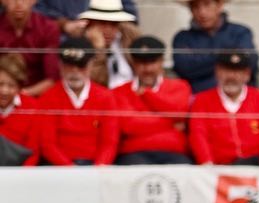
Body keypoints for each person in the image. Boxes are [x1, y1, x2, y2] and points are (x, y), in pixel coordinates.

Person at [188, 50, 259, 165]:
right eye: (226, 70)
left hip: (255, 169)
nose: (231, 76)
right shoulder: (202, 100)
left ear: (247, 74)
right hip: (218, 169)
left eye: (237, 71)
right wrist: (207, 164)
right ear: (217, 72)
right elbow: (198, 135)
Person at [112, 36, 192, 164]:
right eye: (141, 63)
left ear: (161, 61)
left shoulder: (180, 86)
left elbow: (179, 112)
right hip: (133, 153)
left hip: (174, 152)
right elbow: (129, 126)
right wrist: (170, 123)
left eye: (152, 62)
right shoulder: (119, 92)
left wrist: (147, 94)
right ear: (133, 63)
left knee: (183, 170)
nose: (147, 69)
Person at [39, 37, 119, 165]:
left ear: (91, 64)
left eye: (81, 65)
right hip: (60, 167)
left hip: (95, 165)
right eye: (69, 65)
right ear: (60, 65)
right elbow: (48, 144)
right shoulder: (49, 97)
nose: (74, 71)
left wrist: (98, 168)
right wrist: (72, 170)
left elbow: (109, 142)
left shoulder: (105, 97)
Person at [172, 0, 257, 94]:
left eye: (207, 4)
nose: (202, 12)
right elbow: (184, 69)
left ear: (219, 5)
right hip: (198, 98)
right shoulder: (182, 38)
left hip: (240, 99)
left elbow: (250, 63)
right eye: (195, 7)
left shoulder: (240, 32)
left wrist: (202, 62)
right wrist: (226, 58)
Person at [0, 0, 60, 97]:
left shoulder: (48, 28)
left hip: (37, 97)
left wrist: (21, 96)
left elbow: (52, 79)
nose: (19, 4)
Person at [78, 0, 138, 89]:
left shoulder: (129, 36)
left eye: (114, 24)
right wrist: (99, 51)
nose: (108, 30)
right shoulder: (80, 44)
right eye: (102, 23)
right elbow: (95, 84)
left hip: (131, 96)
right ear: (91, 23)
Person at [0, 53, 40, 166]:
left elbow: (33, 151)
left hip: (19, 172)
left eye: (11, 85)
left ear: (19, 87)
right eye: (0, 84)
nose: (4, 91)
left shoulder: (32, 107)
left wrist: (22, 177)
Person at [34, 0, 138, 35]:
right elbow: (35, 11)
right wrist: (63, 24)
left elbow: (131, 16)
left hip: (115, 40)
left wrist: (113, 25)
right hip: (63, 39)